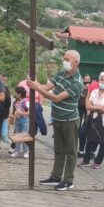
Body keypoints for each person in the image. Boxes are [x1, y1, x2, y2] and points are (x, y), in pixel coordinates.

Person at [28, 50, 84, 191]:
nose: (64, 61)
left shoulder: (77, 82)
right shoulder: (60, 73)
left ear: (76, 62)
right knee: (58, 149)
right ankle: (56, 176)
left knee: (70, 151)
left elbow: (56, 97)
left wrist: (37, 88)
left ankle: (68, 180)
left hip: (70, 119)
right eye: (64, 58)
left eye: (67, 59)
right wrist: (35, 84)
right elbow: (47, 87)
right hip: (57, 118)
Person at [81, 72, 104, 169]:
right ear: (99, 81)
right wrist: (98, 107)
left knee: (102, 142)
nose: (103, 82)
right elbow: (88, 106)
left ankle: (98, 162)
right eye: (102, 80)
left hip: (103, 122)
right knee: (89, 139)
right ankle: (86, 160)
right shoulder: (94, 92)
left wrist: (94, 107)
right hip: (92, 119)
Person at [10, 87, 30, 158]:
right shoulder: (15, 102)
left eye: (16, 93)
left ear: (20, 94)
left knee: (24, 136)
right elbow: (13, 111)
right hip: (17, 121)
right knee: (17, 136)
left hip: (24, 121)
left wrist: (22, 113)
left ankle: (26, 151)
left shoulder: (25, 102)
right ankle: (16, 151)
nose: (15, 94)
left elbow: (30, 112)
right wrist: (12, 116)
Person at [0, 74, 12, 150]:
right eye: (2, 79)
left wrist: (7, 112)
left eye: (5, 80)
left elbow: (8, 101)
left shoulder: (6, 88)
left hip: (3, 111)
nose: (3, 81)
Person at [77, 74, 93, 157]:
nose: (87, 80)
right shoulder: (80, 87)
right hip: (80, 107)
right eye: (85, 79)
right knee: (80, 129)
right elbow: (80, 96)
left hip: (88, 111)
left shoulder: (91, 90)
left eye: (88, 79)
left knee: (85, 131)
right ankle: (81, 150)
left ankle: (89, 152)